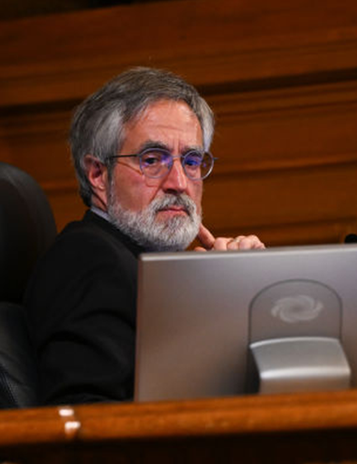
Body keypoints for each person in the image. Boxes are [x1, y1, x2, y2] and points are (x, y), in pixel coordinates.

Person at [23, 67, 264, 405]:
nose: (179, 182)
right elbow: (88, 421)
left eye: (192, 161)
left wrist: (228, 294)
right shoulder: (90, 260)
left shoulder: (149, 267)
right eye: (152, 160)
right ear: (98, 174)